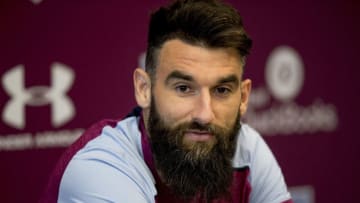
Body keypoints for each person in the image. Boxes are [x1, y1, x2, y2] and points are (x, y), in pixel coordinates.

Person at [55, 0, 293, 202]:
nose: (204, 114)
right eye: (184, 88)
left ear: (243, 97)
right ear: (144, 89)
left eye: (221, 90)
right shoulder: (100, 167)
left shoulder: (248, 151)